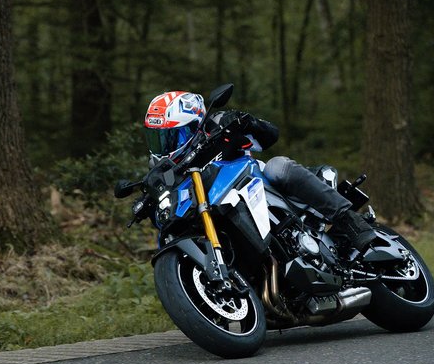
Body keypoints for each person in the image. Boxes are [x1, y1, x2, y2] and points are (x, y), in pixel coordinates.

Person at [143, 90, 375, 251]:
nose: (165, 145)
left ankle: (351, 222)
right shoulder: (162, 169)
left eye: (172, 135)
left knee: (278, 166)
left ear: (195, 124)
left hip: (255, 184)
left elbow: (269, 136)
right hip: (212, 210)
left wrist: (247, 122)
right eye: (158, 137)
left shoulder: (216, 125)